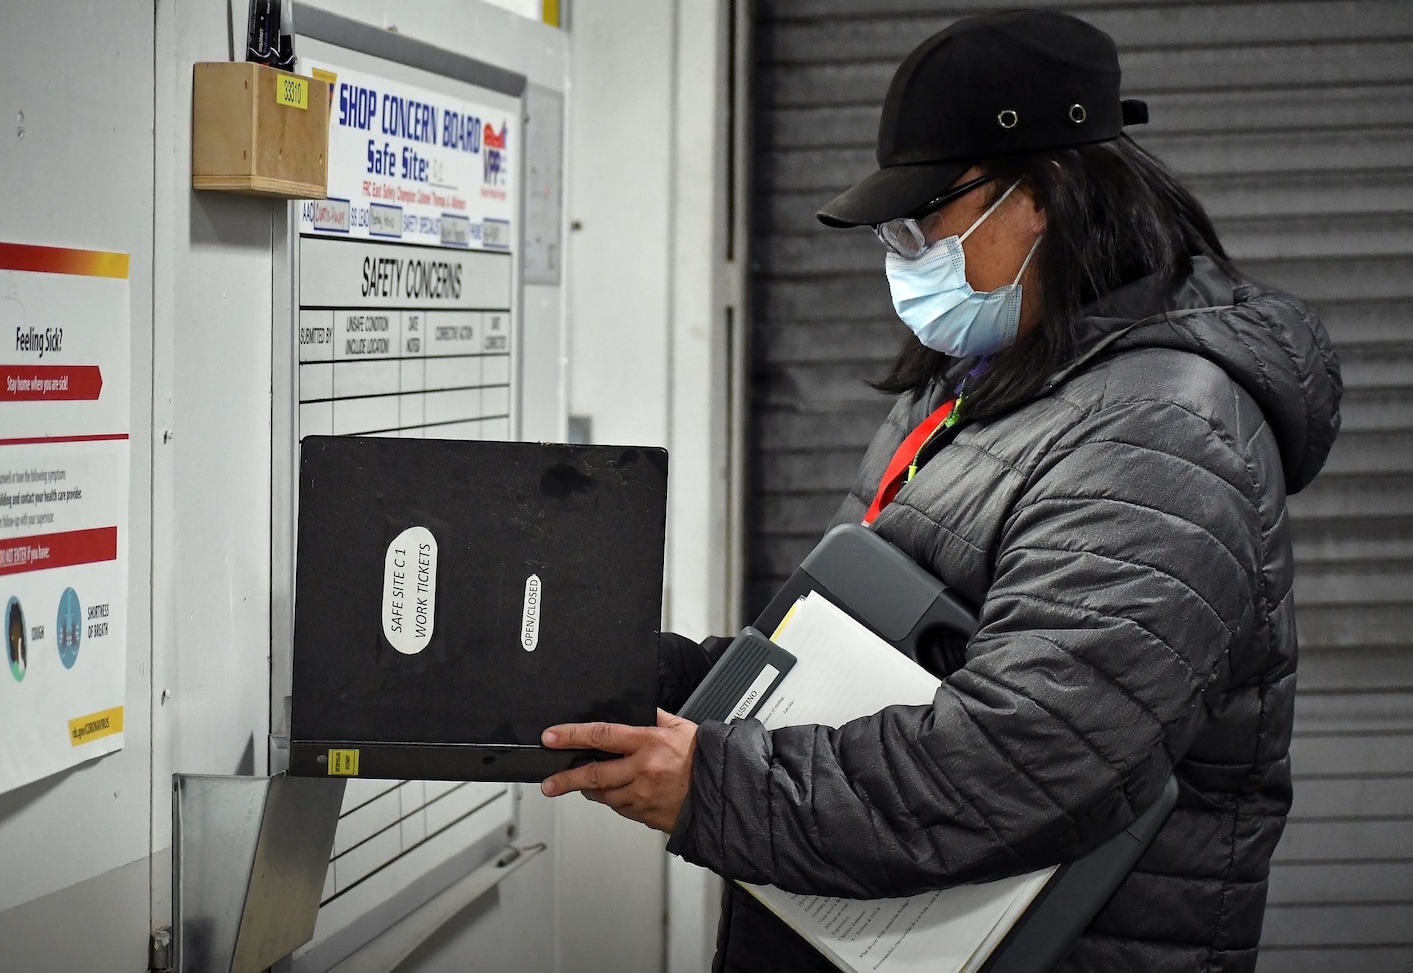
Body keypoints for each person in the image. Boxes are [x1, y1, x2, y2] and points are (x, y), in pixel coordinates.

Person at [540, 9, 1342, 972]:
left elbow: (1024, 758)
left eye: (920, 223)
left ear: (1040, 195)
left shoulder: (1164, 438)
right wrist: (653, 682)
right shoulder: (985, 379)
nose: (899, 254)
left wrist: (712, 787)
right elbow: (864, 657)